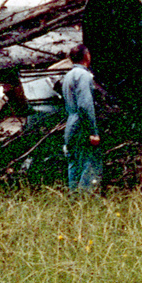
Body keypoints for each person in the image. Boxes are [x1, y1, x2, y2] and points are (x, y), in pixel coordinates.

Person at [62, 44, 101, 193]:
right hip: (81, 124)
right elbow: (85, 105)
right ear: (86, 56)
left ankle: (74, 202)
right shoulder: (83, 75)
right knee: (89, 163)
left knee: (74, 164)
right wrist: (93, 131)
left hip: (70, 123)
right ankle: (87, 202)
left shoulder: (68, 76)